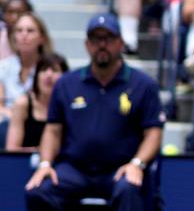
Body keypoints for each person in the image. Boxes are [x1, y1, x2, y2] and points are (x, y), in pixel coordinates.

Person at [24, 14, 163, 210]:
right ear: (87, 45)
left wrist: (137, 163)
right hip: (74, 169)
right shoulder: (66, 83)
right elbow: (53, 130)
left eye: (108, 38)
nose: (102, 45)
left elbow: (153, 133)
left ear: (121, 43)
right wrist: (45, 164)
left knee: (129, 188)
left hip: (119, 168)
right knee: (38, 190)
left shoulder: (143, 84)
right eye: (96, 39)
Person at [5, 53, 69, 151]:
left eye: (55, 70)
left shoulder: (71, 105)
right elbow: (12, 149)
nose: (48, 75)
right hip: (26, 162)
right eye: (43, 70)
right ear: (36, 77)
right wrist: (43, 154)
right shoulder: (23, 103)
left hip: (62, 163)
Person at [0, 13, 53, 126]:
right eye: (19, 30)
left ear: (42, 38)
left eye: (30, 31)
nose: (24, 35)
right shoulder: (3, 66)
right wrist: (15, 118)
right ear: (13, 36)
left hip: (38, 122)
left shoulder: (50, 69)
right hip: (7, 122)